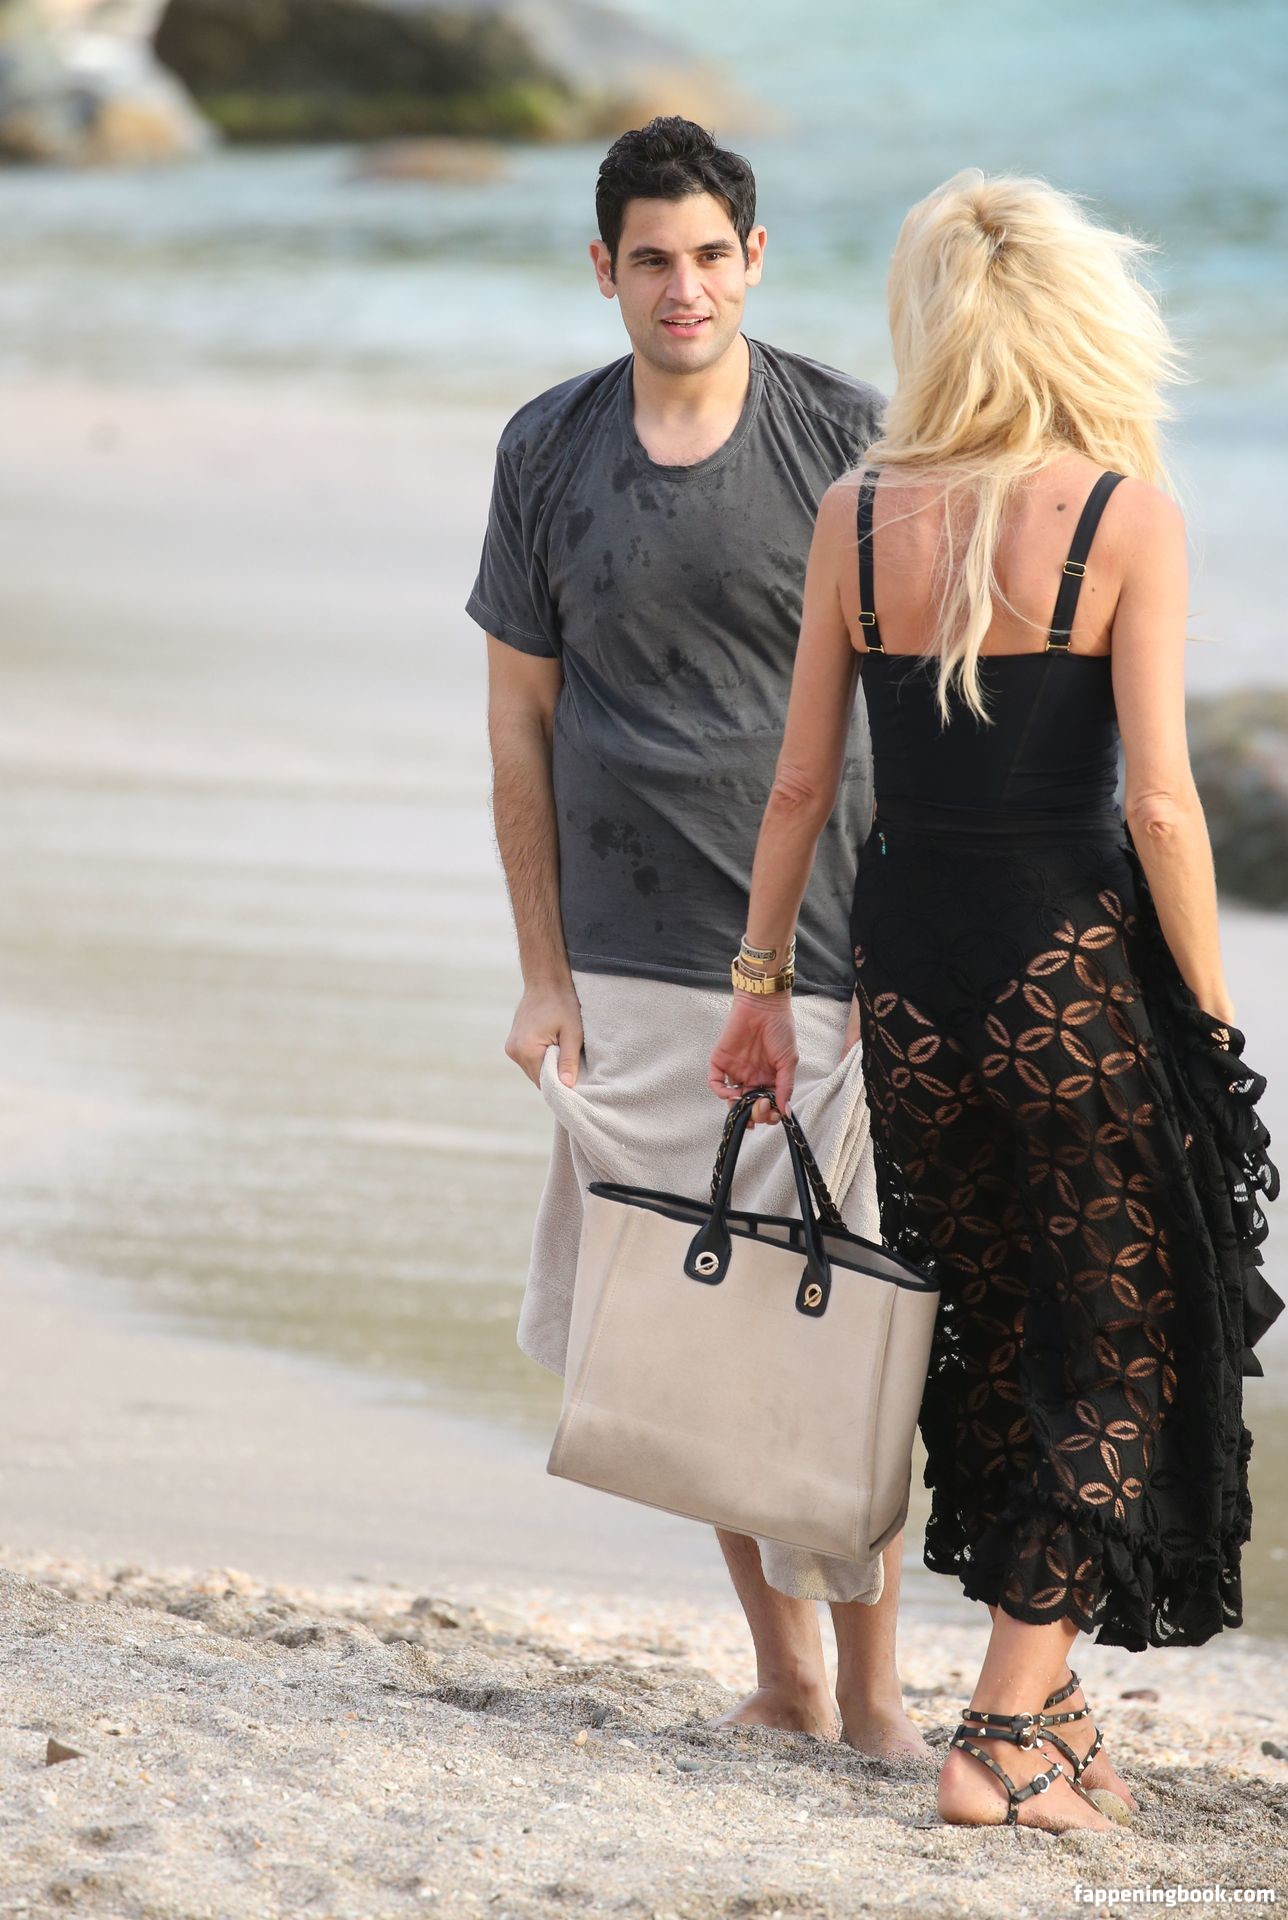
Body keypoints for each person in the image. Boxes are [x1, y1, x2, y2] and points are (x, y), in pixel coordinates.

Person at [709, 169, 1281, 1831]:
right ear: (1084, 322)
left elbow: (800, 786)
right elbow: (1162, 805)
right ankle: (1001, 1738)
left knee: (992, 1322)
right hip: (1070, 970)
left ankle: (1057, 1711)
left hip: (907, 973)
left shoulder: (855, 512)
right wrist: (1214, 1026)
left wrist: (760, 987)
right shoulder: (1122, 516)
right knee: (1124, 1331)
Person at [466, 116, 927, 1756]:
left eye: (711, 256)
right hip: (626, 950)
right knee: (690, 1329)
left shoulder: (849, 440)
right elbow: (519, 724)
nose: (685, 288)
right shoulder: (545, 448)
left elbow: (923, 705)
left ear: (755, 259)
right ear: (604, 268)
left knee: (835, 1322)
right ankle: (787, 1678)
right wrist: (542, 973)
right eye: (651, 260)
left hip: (827, 953)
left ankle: (876, 1694)